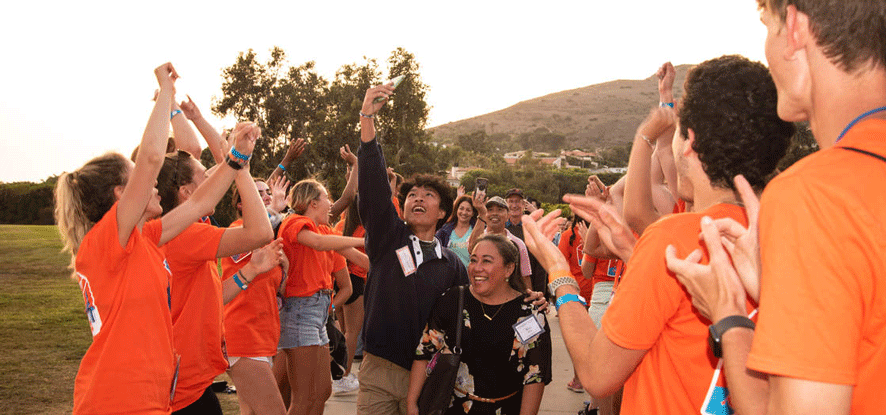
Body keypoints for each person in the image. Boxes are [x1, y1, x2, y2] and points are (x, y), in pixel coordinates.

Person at [524, 55, 794, 414]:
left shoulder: (677, 235)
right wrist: (636, 252)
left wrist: (559, 273)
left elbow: (597, 372)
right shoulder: (793, 236)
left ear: (690, 142)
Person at [665, 2, 886, 414]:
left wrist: (728, 315)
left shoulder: (816, 195)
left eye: (767, 26)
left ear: (797, 27)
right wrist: (776, 291)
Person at [54, 63, 263, 414]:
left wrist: (237, 157)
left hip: (149, 399)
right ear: (121, 195)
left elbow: (200, 202)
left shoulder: (145, 238)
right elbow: (151, 158)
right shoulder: (106, 242)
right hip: (118, 401)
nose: (152, 184)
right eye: (138, 179)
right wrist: (166, 92)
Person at [156, 145, 275, 413]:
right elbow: (260, 232)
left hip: (185, 374)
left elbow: (210, 297)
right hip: (183, 382)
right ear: (186, 193)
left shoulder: (178, 231)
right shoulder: (187, 235)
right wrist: (241, 169)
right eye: (205, 178)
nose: (214, 180)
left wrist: (250, 272)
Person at [407, 234, 552, 415]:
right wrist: (412, 403)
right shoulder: (453, 300)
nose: (477, 268)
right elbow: (424, 352)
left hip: (507, 408)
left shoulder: (529, 314)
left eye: (487, 261)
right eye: (473, 260)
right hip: (452, 408)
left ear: (509, 269)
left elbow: (535, 376)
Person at [277, 178, 365, 415]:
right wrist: (364, 240)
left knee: (323, 391)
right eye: (327, 198)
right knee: (303, 397)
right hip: (300, 311)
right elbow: (317, 243)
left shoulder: (325, 231)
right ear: (313, 203)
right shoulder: (295, 223)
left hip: (318, 314)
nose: (331, 204)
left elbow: (363, 260)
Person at [221, 178, 290, 415]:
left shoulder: (269, 239)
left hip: (264, 335)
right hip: (243, 335)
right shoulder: (236, 231)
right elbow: (250, 249)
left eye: (267, 192)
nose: (266, 196)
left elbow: (278, 289)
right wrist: (272, 212)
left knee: (249, 411)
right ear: (241, 205)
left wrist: (286, 266)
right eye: (257, 193)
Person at [332, 197, 368, 393]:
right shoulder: (364, 228)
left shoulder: (340, 225)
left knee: (344, 331)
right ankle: (343, 375)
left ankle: (340, 373)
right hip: (354, 280)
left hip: (339, 279)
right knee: (352, 333)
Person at [468, 195, 533, 290]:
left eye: (500, 210)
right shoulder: (477, 237)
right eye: (489, 210)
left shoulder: (518, 244)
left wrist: (530, 300)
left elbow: (525, 276)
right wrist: (481, 214)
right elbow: (471, 248)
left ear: (508, 216)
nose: (494, 213)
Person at [436, 194, 478, 267]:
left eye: (468, 210)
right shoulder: (445, 230)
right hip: (449, 275)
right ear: (457, 210)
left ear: (473, 213)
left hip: (469, 276)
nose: (464, 213)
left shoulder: (476, 230)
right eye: (461, 208)